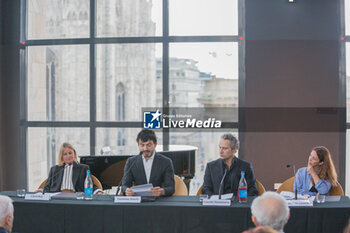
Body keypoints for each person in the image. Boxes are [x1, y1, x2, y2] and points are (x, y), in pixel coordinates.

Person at [122, 129, 175, 196]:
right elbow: (124, 186)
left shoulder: (166, 162)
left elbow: (171, 188)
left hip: (158, 201)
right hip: (138, 201)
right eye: (142, 145)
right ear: (138, 145)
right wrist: (127, 190)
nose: (145, 149)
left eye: (149, 145)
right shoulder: (131, 162)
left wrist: (161, 191)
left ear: (155, 144)